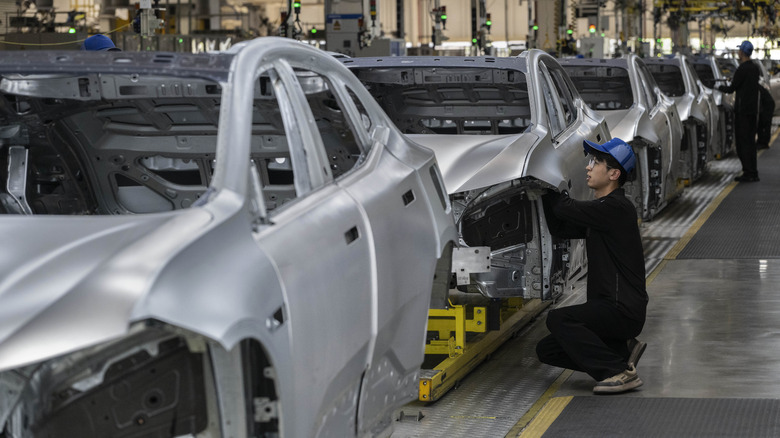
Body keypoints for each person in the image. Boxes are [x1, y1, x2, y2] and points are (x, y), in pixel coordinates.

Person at [536, 137, 648, 395]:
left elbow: (566, 208)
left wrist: (547, 181)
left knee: (558, 318)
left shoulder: (617, 207)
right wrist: (545, 196)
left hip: (621, 310)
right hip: (609, 310)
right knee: (547, 350)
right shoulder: (603, 213)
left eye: (596, 162)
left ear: (613, 173)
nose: (588, 167)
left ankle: (616, 373)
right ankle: (622, 353)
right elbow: (561, 225)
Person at [719, 41, 760, 182]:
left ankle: (748, 172)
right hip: (752, 111)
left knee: (742, 143)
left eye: (739, 51)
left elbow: (731, 88)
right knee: (750, 142)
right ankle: (753, 172)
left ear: (742, 52)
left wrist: (718, 87)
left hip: (742, 112)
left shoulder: (742, 69)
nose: (738, 53)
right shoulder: (755, 68)